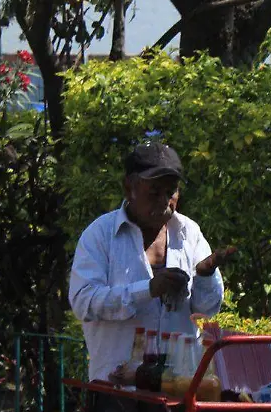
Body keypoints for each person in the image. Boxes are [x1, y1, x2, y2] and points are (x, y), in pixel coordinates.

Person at [69, 142, 234, 382]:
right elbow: (83, 303)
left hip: (176, 387)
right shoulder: (101, 235)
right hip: (116, 387)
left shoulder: (189, 233)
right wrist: (147, 290)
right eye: (154, 193)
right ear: (129, 188)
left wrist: (205, 276)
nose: (164, 201)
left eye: (171, 192)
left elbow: (206, 311)